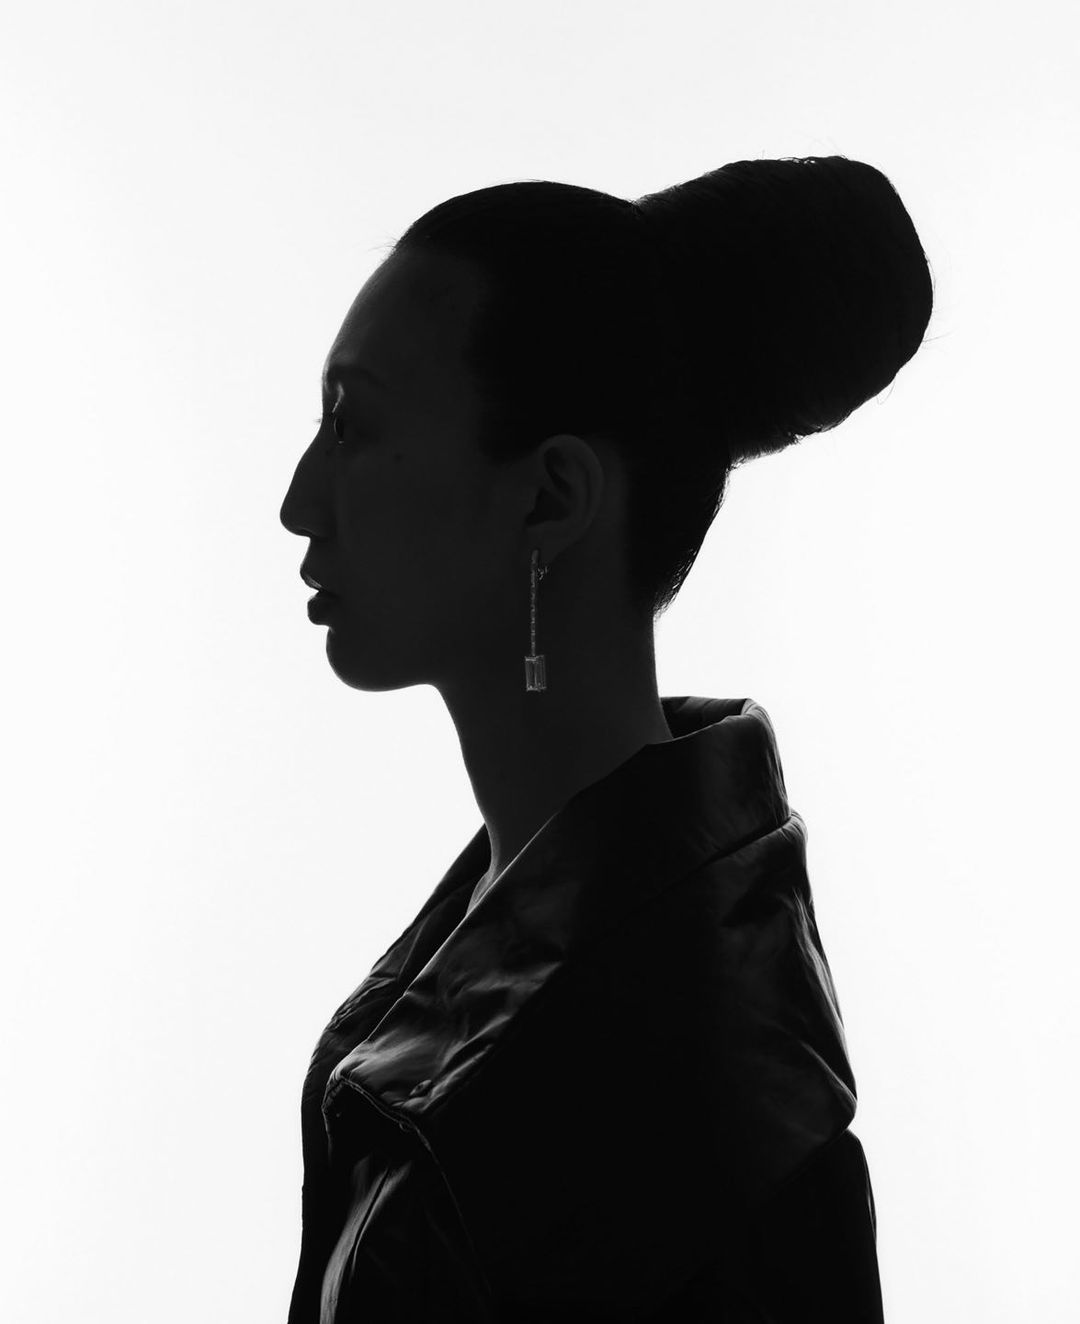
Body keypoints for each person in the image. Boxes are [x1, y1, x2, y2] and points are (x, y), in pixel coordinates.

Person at [278, 154, 933, 1322]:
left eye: (352, 422)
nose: (298, 500)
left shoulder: (708, 1114)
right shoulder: (531, 943)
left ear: (552, 498)